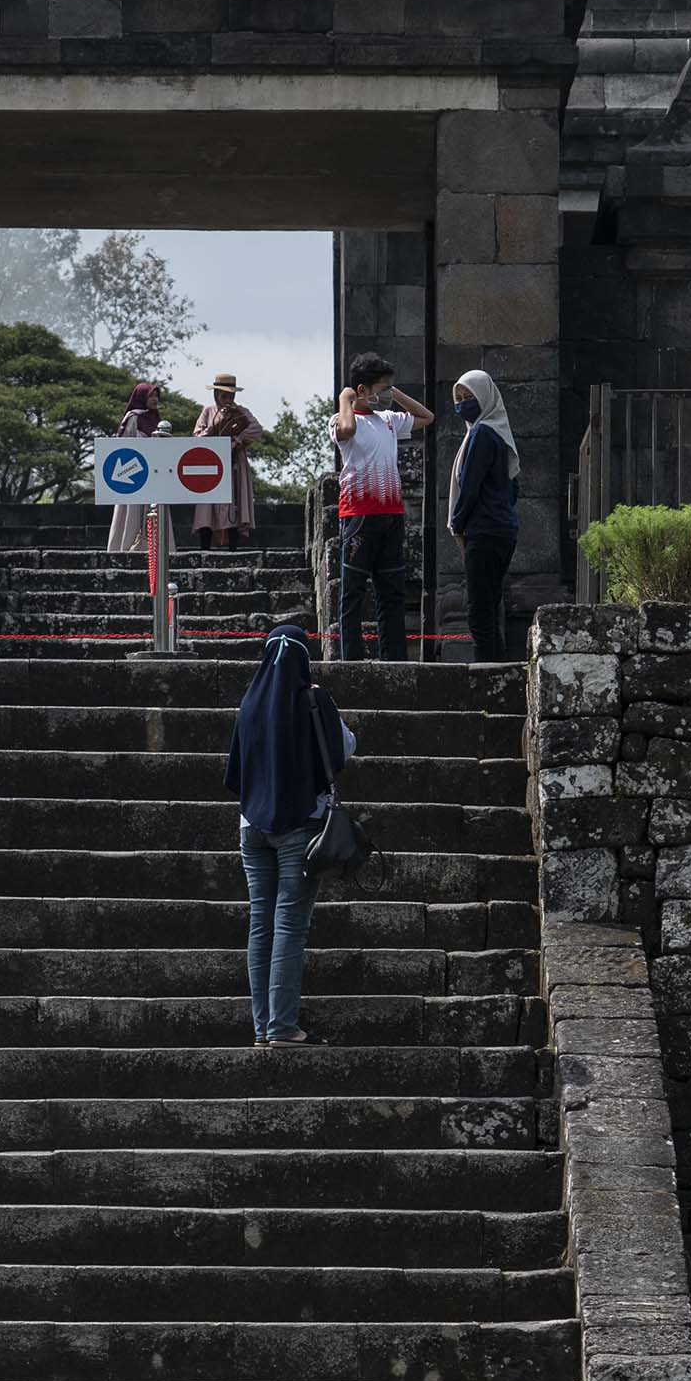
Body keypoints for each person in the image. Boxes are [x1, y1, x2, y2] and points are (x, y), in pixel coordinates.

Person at [225, 614, 349, 1045]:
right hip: (299, 826)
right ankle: (282, 1026)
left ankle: (263, 1027)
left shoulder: (250, 702)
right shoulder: (312, 699)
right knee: (289, 924)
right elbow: (341, 750)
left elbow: (234, 772)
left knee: (260, 922)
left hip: (251, 828)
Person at [327, 352, 428, 661]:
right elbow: (347, 430)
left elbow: (426, 417)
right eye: (381, 388)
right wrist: (346, 398)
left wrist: (393, 393)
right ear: (362, 390)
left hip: (391, 517)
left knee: (392, 593)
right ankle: (351, 661)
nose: (385, 395)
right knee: (353, 593)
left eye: (388, 388)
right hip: (359, 516)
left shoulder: (388, 420)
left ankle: (394, 659)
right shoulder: (341, 420)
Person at [446, 367, 520, 664]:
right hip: (504, 530)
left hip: (484, 531)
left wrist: (458, 525)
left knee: (478, 612)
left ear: (485, 397)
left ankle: (485, 678)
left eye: (469, 396)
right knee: (490, 607)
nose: (462, 403)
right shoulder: (500, 434)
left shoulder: (481, 433)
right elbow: (513, 487)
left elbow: (470, 486)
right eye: (459, 397)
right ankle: (498, 672)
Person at [102, 377, 181, 559]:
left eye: (156, 396)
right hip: (134, 475)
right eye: (151, 396)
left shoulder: (157, 419)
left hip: (155, 474)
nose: (154, 400)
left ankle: (161, 550)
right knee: (132, 510)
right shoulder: (134, 418)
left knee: (157, 510)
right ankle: (127, 547)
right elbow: (125, 447)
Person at [191, 372, 264, 547]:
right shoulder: (208, 412)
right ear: (216, 395)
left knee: (233, 501)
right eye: (224, 395)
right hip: (210, 464)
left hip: (233, 462)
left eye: (231, 395)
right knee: (207, 505)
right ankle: (205, 545)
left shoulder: (242, 412)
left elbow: (256, 429)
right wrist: (214, 428)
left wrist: (237, 440)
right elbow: (197, 436)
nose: (228, 399)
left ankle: (233, 546)